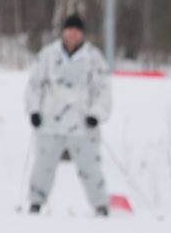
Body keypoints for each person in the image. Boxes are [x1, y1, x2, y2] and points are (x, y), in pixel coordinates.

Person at [24, 14, 112, 216]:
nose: (73, 34)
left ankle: (101, 205)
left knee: (90, 167)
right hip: (51, 123)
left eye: (77, 31)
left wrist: (96, 113)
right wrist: (34, 110)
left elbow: (104, 90)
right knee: (43, 166)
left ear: (81, 34)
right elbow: (34, 85)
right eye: (69, 30)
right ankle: (36, 202)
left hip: (82, 125)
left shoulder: (93, 58)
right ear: (63, 31)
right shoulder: (48, 55)